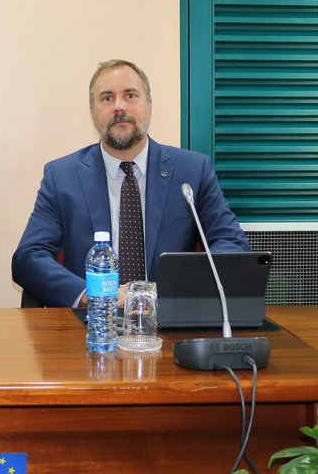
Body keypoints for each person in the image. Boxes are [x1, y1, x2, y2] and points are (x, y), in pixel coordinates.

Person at [12, 59, 249, 307]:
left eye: (130, 95)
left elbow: (232, 244)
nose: (119, 107)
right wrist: (90, 295)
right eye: (107, 98)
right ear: (92, 111)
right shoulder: (62, 176)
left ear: (148, 105)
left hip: (168, 322)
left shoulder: (192, 171)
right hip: (93, 325)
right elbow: (28, 258)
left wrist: (177, 289)